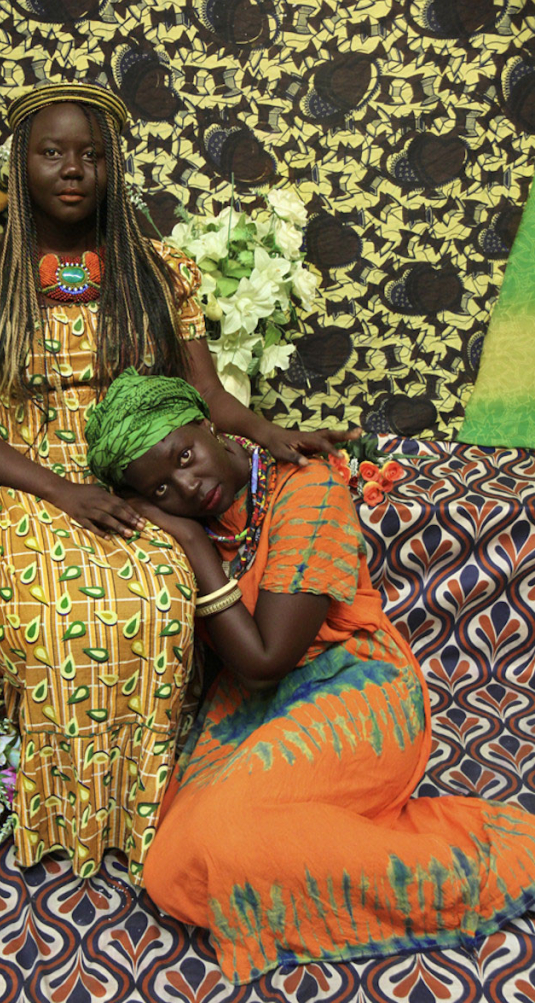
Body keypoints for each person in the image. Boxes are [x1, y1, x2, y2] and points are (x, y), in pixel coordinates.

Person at [0, 81, 353, 884]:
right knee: (64, 603)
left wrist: (267, 433)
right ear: (21, 163)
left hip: (129, 481)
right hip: (17, 482)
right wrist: (60, 492)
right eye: (52, 153)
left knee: (155, 590)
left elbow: (211, 394)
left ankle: (138, 815)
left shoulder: (158, 270)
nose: (72, 170)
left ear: (113, 167)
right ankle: (62, 818)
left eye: (90, 154)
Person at [85, 367, 535, 983]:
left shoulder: (306, 484)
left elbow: (266, 658)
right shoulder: (198, 507)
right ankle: (342, 824)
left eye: (185, 455)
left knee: (227, 839)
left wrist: (192, 545)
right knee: (170, 867)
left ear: (208, 423)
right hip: (252, 706)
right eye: (161, 492)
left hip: (354, 687)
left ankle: (491, 858)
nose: (188, 487)